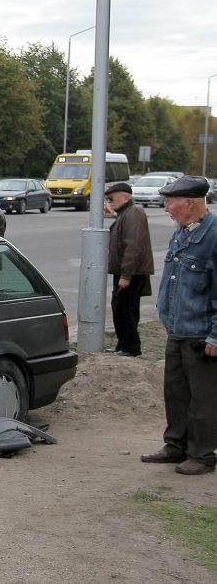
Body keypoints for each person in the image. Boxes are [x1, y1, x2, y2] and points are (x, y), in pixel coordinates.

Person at [141, 176, 217, 475]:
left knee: (203, 399)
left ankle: (203, 454)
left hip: (201, 333)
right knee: (175, 394)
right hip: (177, 328)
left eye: (171, 202)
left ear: (191, 203)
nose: (167, 207)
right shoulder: (183, 232)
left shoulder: (212, 236)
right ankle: (176, 446)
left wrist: (215, 334)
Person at [104, 182, 154, 357]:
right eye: (108, 199)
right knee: (127, 308)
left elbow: (133, 247)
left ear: (126, 196)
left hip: (131, 273)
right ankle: (123, 345)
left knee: (122, 308)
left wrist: (126, 275)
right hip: (129, 271)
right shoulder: (127, 212)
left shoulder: (133, 213)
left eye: (112, 198)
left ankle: (131, 347)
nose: (110, 202)